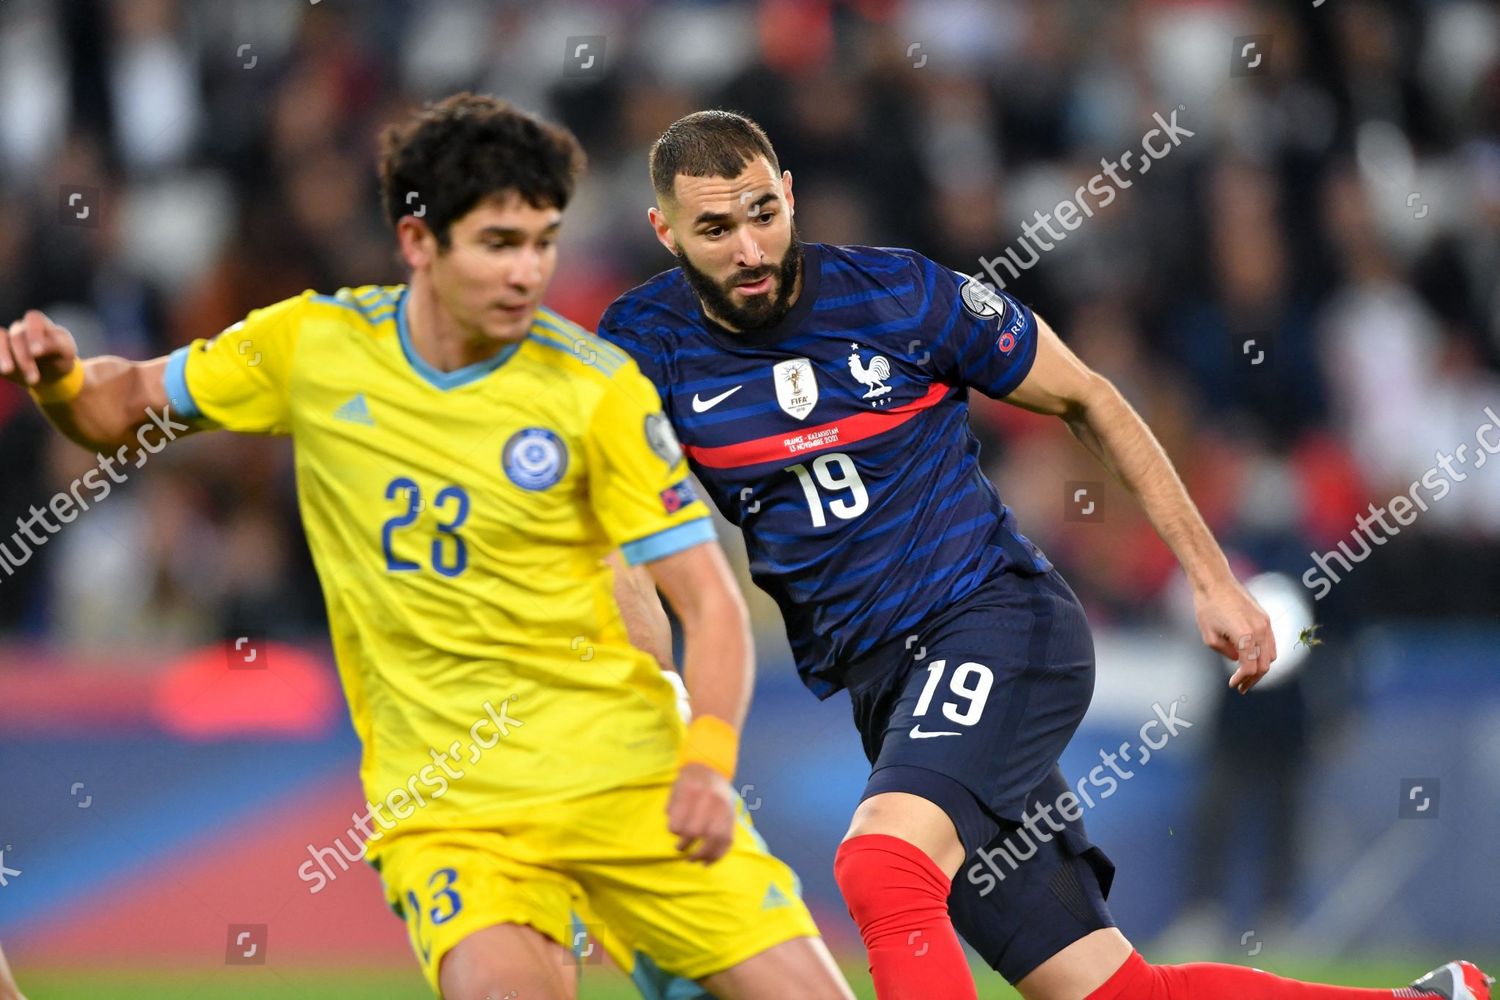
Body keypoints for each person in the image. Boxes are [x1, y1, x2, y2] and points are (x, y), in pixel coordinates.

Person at [596, 109, 1494, 1000]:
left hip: (995, 624)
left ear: (790, 196)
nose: (750, 248)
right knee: (1108, 991)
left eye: (763, 213)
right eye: (715, 228)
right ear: (665, 232)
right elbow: (617, 543)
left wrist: (1212, 578)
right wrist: (656, 693)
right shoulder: (641, 350)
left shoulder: (902, 296)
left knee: (881, 863)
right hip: (885, 687)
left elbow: (1090, 397)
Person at [1, 94, 852, 1000]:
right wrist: (59, 383)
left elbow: (708, 603)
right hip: (455, 813)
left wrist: (708, 763)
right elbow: (121, 402)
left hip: (627, 777)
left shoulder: (594, 388)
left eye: (542, 240)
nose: (528, 272)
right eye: (498, 243)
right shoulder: (314, 350)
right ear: (419, 244)